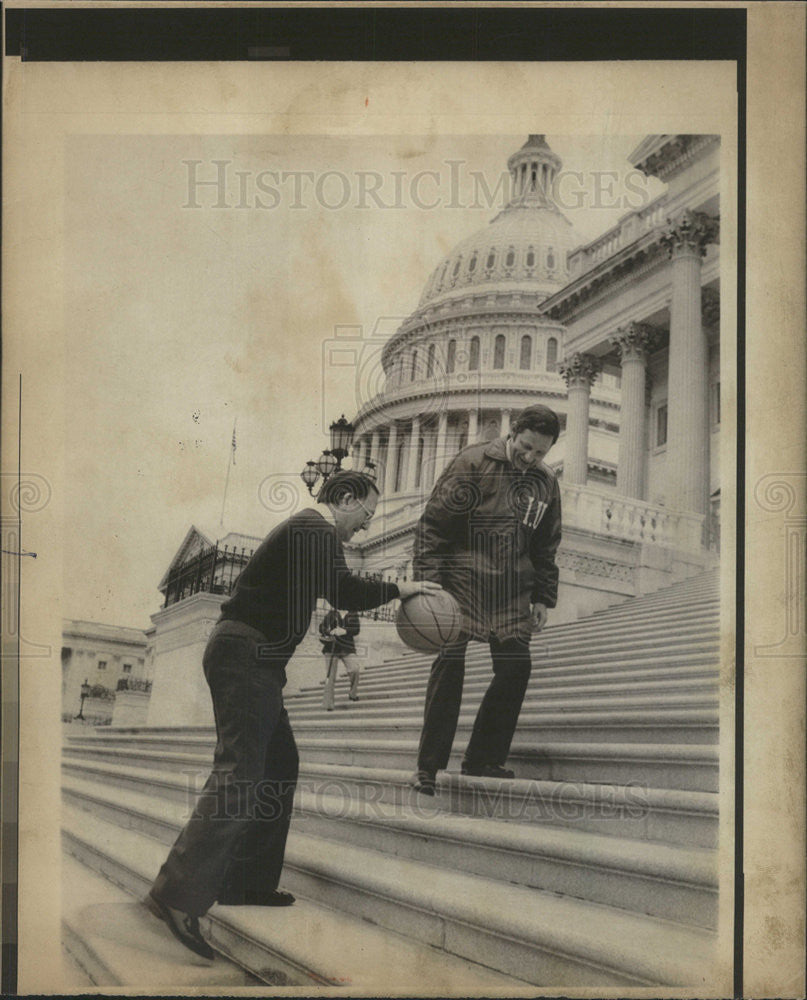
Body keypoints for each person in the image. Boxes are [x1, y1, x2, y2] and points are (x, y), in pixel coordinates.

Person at [146, 470, 442, 959]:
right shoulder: (313, 528)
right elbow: (343, 590)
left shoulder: (310, 532)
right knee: (240, 773)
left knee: (280, 765)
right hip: (247, 654)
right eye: (366, 515)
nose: (364, 528)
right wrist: (400, 589)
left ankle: (246, 881)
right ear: (344, 498)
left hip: (256, 658)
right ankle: (176, 895)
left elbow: (331, 594)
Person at [410, 404, 562, 796]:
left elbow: (546, 546)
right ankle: (428, 768)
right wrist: (430, 585)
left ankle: (483, 758)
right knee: (449, 665)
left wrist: (543, 597)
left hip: (512, 590)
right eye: (526, 447)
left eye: (540, 453)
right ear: (514, 433)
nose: (531, 458)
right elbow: (433, 526)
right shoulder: (472, 463)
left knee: (516, 668)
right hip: (462, 581)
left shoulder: (546, 484)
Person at [318, 608, 362, 709]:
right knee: (330, 676)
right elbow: (321, 627)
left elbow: (356, 630)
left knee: (355, 669)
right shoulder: (332, 613)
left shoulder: (353, 613)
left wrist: (344, 631)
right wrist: (329, 631)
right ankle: (328, 704)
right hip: (331, 648)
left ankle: (352, 694)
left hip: (347, 647)